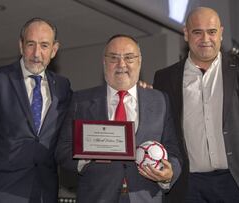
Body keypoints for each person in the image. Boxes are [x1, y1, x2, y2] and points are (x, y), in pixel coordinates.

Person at [153, 7, 239, 203]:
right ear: (186, 34)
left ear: (221, 33)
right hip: (189, 185)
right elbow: (161, 129)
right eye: (198, 32)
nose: (205, 38)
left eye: (212, 32)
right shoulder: (165, 77)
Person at [55, 34, 182, 203]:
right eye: (114, 58)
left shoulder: (160, 101)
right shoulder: (81, 101)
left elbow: (173, 150)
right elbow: (62, 150)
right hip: (97, 197)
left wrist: (168, 174)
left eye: (129, 58)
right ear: (104, 62)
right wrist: (88, 156)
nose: (122, 64)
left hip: (145, 197)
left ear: (139, 61)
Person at [0, 18, 72, 203]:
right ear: (21, 46)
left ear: (54, 50)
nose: (37, 53)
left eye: (44, 45)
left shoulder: (62, 86)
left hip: (45, 193)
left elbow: (82, 114)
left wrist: (135, 92)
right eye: (31, 44)